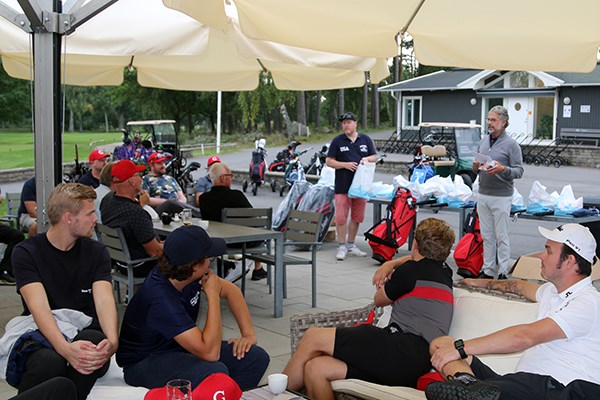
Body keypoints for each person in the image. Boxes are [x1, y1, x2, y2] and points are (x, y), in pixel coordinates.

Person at [283, 218, 456, 400]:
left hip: (401, 349)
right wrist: (392, 264)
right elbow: (423, 261)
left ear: (414, 244)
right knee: (316, 368)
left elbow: (379, 299)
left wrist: (391, 264)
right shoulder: (445, 273)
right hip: (413, 365)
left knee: (312, 337)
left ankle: (273, 394)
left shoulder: (409, 272)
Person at [425, 223, 600, 400]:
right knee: (441, 344)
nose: (541, 255)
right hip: (520, 385)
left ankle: (472, 392)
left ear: (569, 261)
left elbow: (525, 336)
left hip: (554, 388)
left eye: (549, 251)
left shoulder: (588, 302)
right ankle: (469, 386)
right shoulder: (551, 291)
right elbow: (519, 286)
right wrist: (479, 282)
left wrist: (461, 349)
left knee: (455, 352)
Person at [116, 225, 269, 391]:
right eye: (209, 257)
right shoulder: (160, 299)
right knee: (214, 372)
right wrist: (213, 296)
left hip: (177, 348)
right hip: (143, 363)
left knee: (256, 358)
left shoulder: (186, 273)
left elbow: (232, 291)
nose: (211, 261)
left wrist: (249, 335)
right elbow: (211, 354)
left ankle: (229, 395)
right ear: (195, 266)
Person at [11, 183, 118, 400]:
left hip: (86, 332)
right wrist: (65, 349)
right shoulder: (26, 252)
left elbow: (105, 301)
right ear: (69, 218)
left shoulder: (96, 252)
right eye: (90, 214)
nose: (95, 219)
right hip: (43, 330)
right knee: (49, 363)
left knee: (93, 344)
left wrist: (113, 342)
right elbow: (39, 306)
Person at [474, 105, 524, 279]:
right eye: (488, 119)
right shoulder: (483, 140)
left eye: (493, 120)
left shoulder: (512, 145)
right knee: (486, 236)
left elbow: (519, 171)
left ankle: (503, 271)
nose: (489, 123)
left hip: (501, 196)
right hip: (483, 193)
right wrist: (475, 167)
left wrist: (503, 169)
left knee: (501, 236)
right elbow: (479, 166)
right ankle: (488, 270)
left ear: (504, 123)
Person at [198, 163, 268, 282]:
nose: (232, 178)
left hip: (217, 242)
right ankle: (258, 268)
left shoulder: (203, 199)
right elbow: (254, 215)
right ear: (222, 178)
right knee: (258, 230)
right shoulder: (237, 196)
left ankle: (249, 268)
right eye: (230, 175)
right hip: (242, 242)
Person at [326, 111, 377, 261]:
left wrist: (366, 159)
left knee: (357, 217)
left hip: (361, 186)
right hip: (343, 185)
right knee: (341, 217)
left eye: (348, 122)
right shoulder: (338, 141)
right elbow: (329, 161)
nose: (346, 125)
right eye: (343, 123)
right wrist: (344, 165)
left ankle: (351, 244)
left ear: (356, 123)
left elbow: (374, 157)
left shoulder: (365, 139)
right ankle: (341, 245)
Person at [100, 160, 163, 278]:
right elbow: (155, 252)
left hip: (120, 262)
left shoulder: (107, 200)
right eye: (138, 175)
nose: (141, 178)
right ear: (132, 181)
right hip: (141, 265)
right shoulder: (136, 213)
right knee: (188, 252)